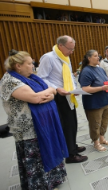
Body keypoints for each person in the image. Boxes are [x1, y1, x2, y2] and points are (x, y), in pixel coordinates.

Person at [0, 50, 68, 189]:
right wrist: (47, 94)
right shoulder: (10, 81)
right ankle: (39, 185)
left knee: (49, 150)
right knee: (37, 157)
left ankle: (53, 180)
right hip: (28, 129)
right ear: (18, 66)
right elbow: (35, 98)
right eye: (30, 63)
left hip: (44, 123)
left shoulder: (32, 77)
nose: (33, 66)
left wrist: (50, 93)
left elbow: (52, 90)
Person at [38, 35, 88, 163]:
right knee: (66, 125)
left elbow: (70, 75)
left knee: (73, 123)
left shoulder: (65, 58)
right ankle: (70, 155)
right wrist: (57, 88)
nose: (71, 52)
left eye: (73, 49)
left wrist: (74, 88)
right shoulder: (48, 58)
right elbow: (42, 78)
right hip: (58, 97)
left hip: (68, 95)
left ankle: (73, 146)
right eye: (70, 49)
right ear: (60, 46)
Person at [78, 50, 108, 152]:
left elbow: (105, 81)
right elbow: (85, 89)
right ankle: (96, 142)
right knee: (95, 124)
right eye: (95, 56)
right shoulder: (86, 71)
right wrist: (102, 88)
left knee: (104, 122)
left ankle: (102, 139)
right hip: (94, 103)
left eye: (98, 56)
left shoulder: (100, 69)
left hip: (105, 100)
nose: (98, 57)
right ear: (89, 58)